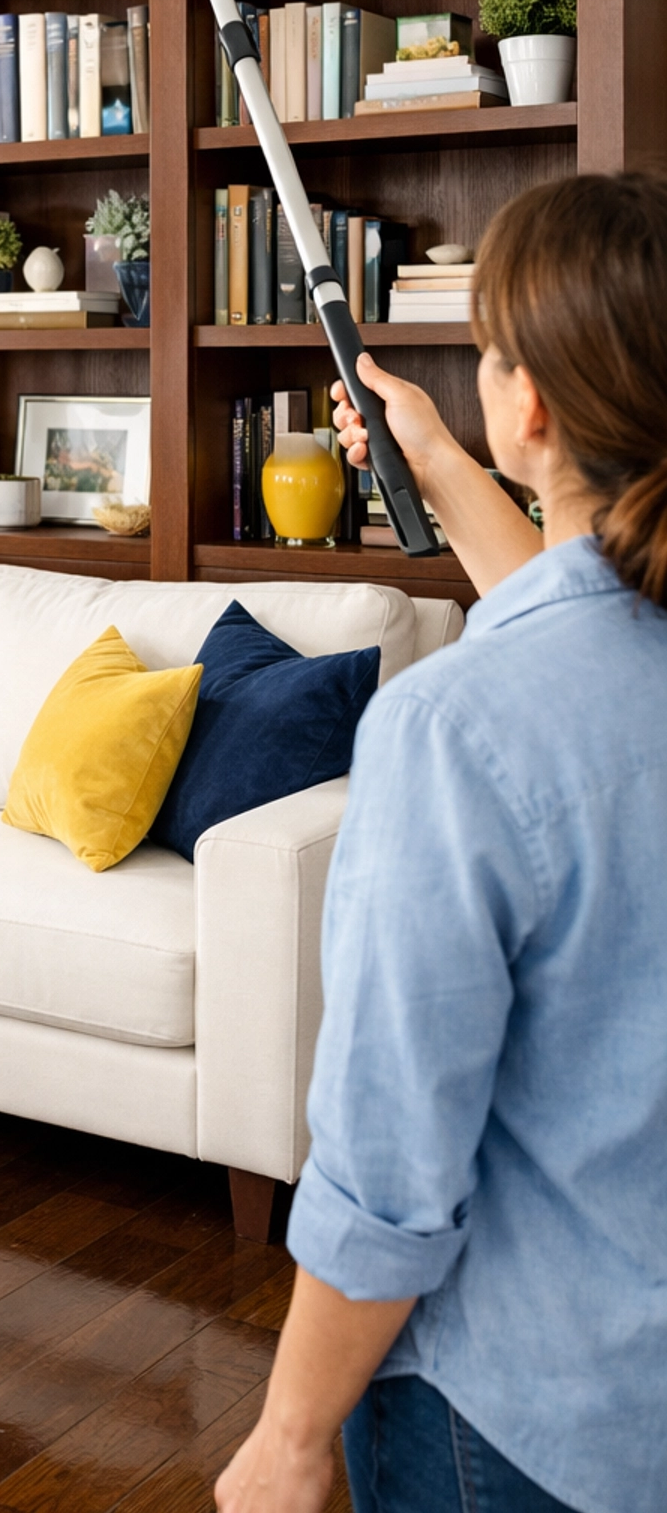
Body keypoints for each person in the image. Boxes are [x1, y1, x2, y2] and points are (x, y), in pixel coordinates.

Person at [215, 172, 667, 1513]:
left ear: (526, 402)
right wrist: (437, 459)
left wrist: (293, 1438)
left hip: (517, 1423)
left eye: (486, 352)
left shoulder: (450, 730)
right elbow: (585, 630)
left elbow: (390, 1163)